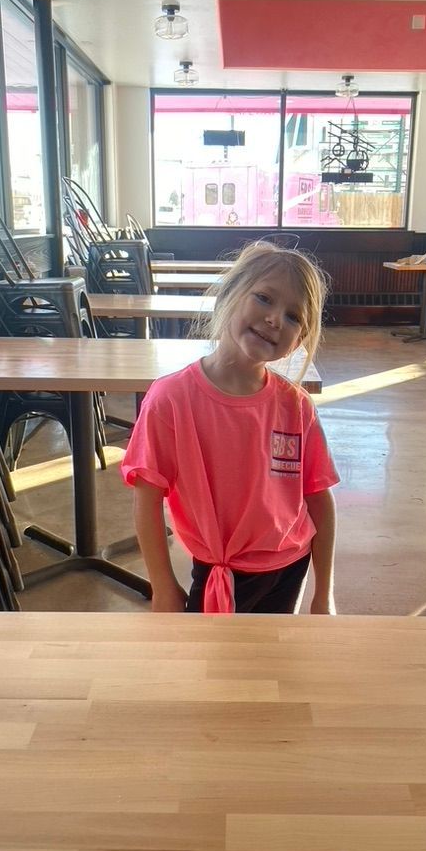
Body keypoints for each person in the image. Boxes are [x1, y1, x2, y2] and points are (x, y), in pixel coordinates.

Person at [121, 240, 339, 614]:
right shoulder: (171, 399)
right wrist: (163, 585)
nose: (275, 319)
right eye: (264, 298)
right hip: (217, 572)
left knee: (271, 652)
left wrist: (324, 593)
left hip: (290, 568)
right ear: (230, 294)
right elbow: (147, 497)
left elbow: (319, 498)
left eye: (293, 317)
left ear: (298, 341)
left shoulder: (296, 406)